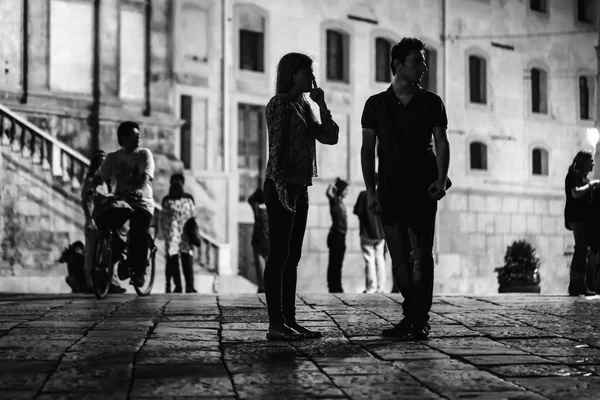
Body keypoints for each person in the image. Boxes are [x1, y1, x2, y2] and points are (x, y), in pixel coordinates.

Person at [360, 38, 450, 341]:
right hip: (389, 190)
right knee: (398, 258)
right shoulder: (375, 104)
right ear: (398, 64)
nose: (423, 66)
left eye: (423, 61)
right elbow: (366, 150)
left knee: (422, 256)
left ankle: (418, 319)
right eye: (417, 61)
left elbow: (442, 142)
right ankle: (412, 315)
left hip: (423, 189)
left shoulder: (432, 102)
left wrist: (442, 177)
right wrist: (370, 192)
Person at [264, 52, 339, 341]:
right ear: (291, 73)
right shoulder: (280, 104)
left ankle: (290, 321)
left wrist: (322, 104)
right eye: (307, 71)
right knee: (279, 254)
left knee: (292, 256)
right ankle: (276, 323)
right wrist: (281, 185)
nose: (312, 76)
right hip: (281, 185)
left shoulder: (306, 105)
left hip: (301, 186)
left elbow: (330, 137)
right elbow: (277, 147)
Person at [91, 121, 155, 288]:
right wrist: (93, 188)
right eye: (134, 135)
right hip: (121, 202)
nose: (138, 137)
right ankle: (115, 253)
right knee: (106, 221)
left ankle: (139, 272)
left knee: (137, 232)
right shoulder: (113, 158)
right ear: (123, 139)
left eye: (138, 134)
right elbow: (99, 176)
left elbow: (146, 177)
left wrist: (139, 190)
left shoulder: (144, 154)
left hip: (142, 203)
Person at [81, 150, 125, 294]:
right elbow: (87, 202)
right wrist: (89, 220)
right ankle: (90, 283)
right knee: (91, 254)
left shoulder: (105, 182)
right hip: (93, 222)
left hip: (102, 220)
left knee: (108, 252)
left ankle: (109, 282)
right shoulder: (90, 181)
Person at [564, 150, 599, 296]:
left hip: (582, 218)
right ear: (583, 163)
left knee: (581, 250)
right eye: (590, 162)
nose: (593, 164)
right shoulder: (573, 175)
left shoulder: (582, 177)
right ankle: (577, 284)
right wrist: (592, 185)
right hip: (577, 218)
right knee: (581, 250)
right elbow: (575, 192)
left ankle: (577, 283)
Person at [161, 174, 197, 293]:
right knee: (182, 261)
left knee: (180, 261)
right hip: (176, 234)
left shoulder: (167, 200)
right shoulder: (188, 199)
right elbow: (193, 216)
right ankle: (186, 286)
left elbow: (163, 218)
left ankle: (183, 286)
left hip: (179, 234)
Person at [354, 178, 387, 294]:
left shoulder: (363, 195)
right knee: (380, 259)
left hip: (367, 232)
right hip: (381, 233)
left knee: (369, 259)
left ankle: (371, 287)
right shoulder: (383, 196)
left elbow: (358, 212)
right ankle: (381, 287)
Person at [326, 178, 348, 293]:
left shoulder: (340, 202)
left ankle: (337, 285)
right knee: (334, 262)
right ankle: (334, 286)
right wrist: (333, 184)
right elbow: (328, 192)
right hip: (336, 236)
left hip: (341, 236)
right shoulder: (335, 200)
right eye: (346, 189)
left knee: (338, 262)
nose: (347, 192)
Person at [248, 188, 269, 293]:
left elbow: (250, 199)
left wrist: (258, 190)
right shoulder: (274, 208)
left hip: (258, 239)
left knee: (260, 265)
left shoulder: (257, 209)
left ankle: (262, 286)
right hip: (271, 240)